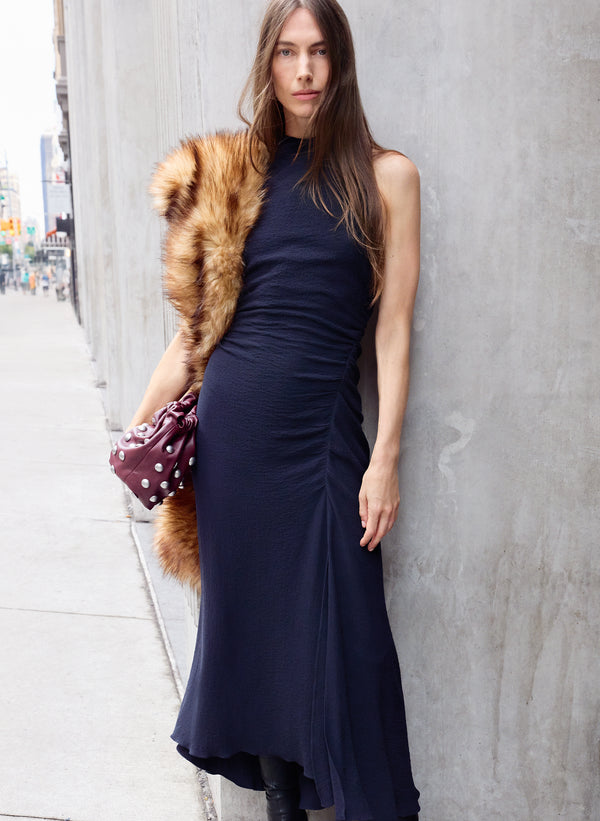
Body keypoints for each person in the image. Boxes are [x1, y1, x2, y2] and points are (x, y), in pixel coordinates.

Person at [130, 1, 421, 818]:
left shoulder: (388, 176)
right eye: (288, 53)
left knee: (347, 644)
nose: (303, 71)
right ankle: (282, 809)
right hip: (234, 446)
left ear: (341, 62)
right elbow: (193, 333)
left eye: (319, 53)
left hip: (322, 442)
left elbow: (393, 330)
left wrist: (385, 457)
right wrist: (137, 432)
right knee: (254, 639)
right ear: (268, 63)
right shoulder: (237, 172)